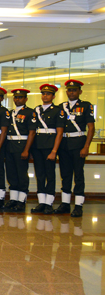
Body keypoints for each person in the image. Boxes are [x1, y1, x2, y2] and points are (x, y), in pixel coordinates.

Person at [55, 79, 95, 217]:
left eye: (74, 90)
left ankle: (78, 205)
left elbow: (91, 128)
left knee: (78, 175)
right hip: (64, 144)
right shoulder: (61, 106)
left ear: (80, 92)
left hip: (78, 143)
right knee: (65, 175)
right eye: (69, 90)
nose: (71, 92)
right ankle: (65, 204)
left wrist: (86, 146)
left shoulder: (86, 106)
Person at [30, 84, 65, 215]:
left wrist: (54, 151)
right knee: (39, 175)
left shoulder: (58, 111)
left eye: (48, 94)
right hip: (37, 146)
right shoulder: (37, 110)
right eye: (43, 94)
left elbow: (59, 132)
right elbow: (33, 131)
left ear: (53, 96)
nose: (45, 96)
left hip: (49, 146)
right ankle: (41, 202)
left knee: (50, 175)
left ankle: (49, 203)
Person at [3, 89, 35, 212]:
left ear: (26, 99)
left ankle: (21, 200)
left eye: (20, 97)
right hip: (10, 145)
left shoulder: (29, 112)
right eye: (16, 97)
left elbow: (32, 132)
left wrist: (27, 150)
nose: (17, 99)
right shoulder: (10, 113)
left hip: (21, 145)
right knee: (11, 173)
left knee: (21, 174)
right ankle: (13, 199)